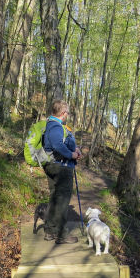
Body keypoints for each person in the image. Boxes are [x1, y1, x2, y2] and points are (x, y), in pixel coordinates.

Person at [42, 100, 82, 244]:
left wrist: (75, 150)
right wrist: (71, 155)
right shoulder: (55, 126)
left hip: (53, 166)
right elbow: (57, 144)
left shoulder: (50, 125)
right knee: (62, 201)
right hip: (61, 168)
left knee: (54, 198)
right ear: (63, 113)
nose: (68, 115)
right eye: (67, 113)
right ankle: (62, 234)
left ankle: (49, 231)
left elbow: (61, 144)